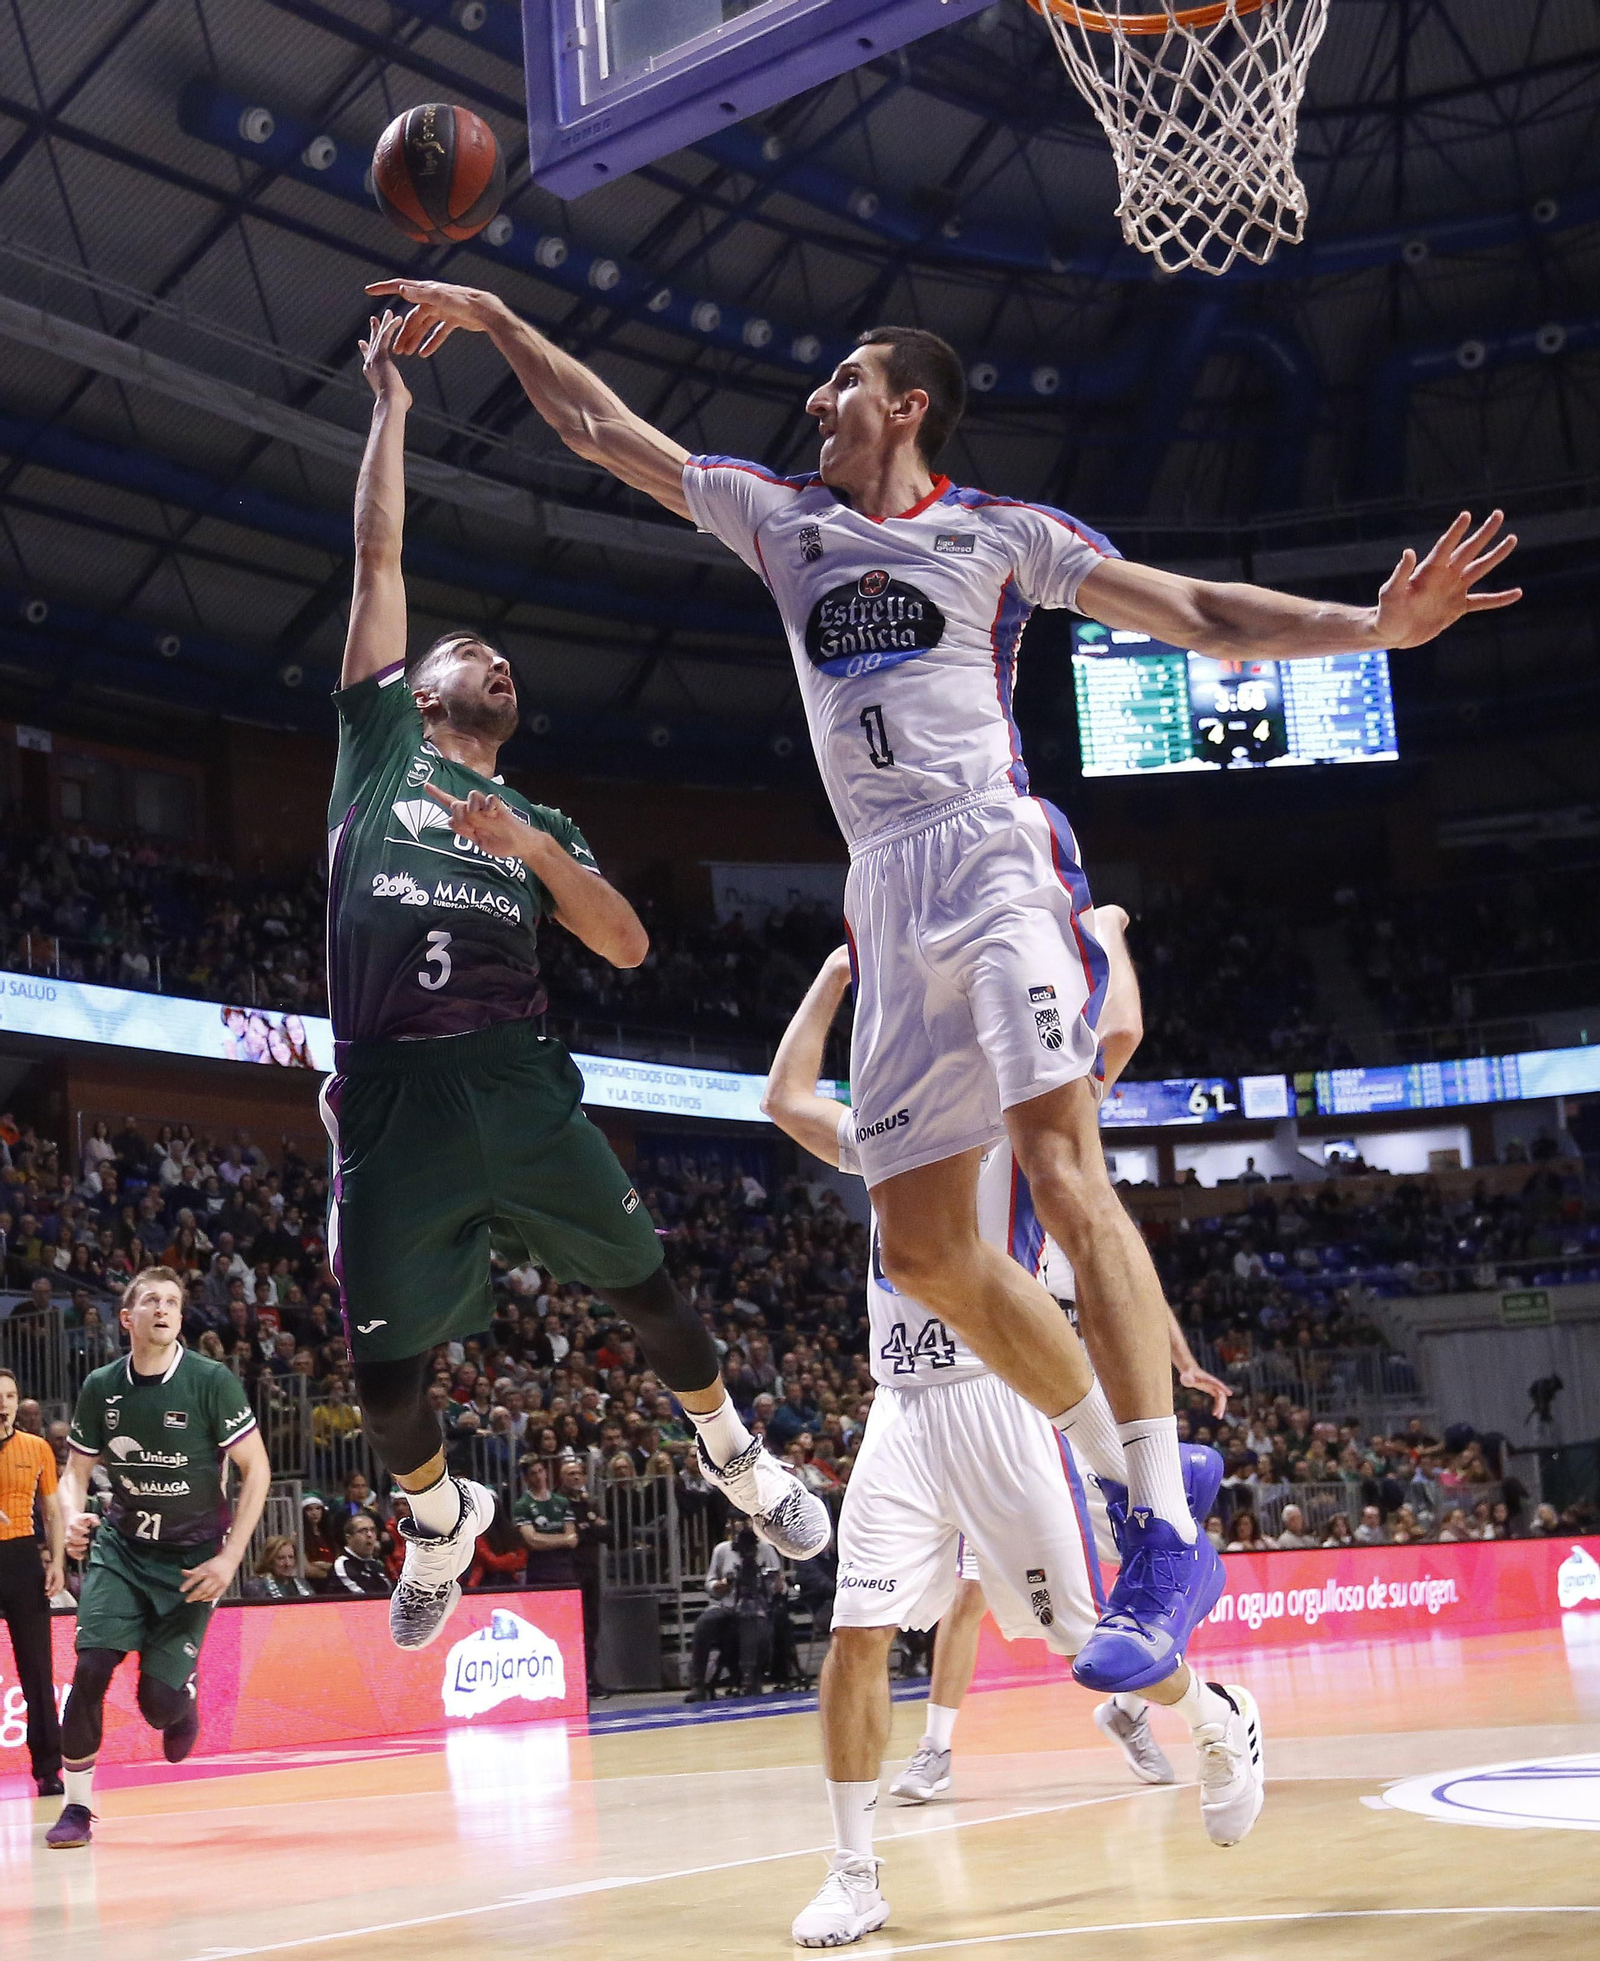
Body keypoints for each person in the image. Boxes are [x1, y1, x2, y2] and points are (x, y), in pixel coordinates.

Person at [367, 277, 1516, 1692]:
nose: (815, 403)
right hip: (883, 886)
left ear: (908, 406)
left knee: (1059, 1156)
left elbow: (1198, 607)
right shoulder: (783, 520)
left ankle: (1157, 1526)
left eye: (842, 382)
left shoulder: (998, 535)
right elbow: (602, 429)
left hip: (990, 857)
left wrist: (1369, 630)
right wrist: (490, 315)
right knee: (921, 1252)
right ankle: (1131, 1465)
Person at [315, 312, 828, 1655]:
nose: (495, 662)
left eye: (509, 668)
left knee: (649, 1291)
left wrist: (537, 846)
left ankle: (735, 1456)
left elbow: (627, 948)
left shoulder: (546, 820)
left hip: (516, 1077)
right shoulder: (375, 752)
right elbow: (380, 551)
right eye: (470, 654)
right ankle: (436, 1520)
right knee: (384, 1388)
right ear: (416, 689)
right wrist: (394, 411)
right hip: (392, 1099)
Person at [760, 933, 1263, 1946]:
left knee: (1090, 1638)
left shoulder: (1015, 1112)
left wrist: (1115, 937)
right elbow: (783, 1097)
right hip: (898, 1407)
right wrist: (830, 975)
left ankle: (1216, 1713)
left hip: (1002, 1397)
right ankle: (853, 1872)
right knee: (856, 1632)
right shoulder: (890, 1128)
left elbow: (1116, 1030)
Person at [47, 1267, 272, 1848]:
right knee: (91, 1668)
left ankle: (181, 1692)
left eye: (173, 1301)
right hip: (121, 1549)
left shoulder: (210, 1381)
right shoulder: (101, 1385)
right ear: (128, 1318)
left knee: (158, 1707)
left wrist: (231, 1560)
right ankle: (77, 1809)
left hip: (193, 1561)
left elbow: (258, 1470)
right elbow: (75, 1473)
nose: (165, 1309)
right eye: (151, 1300)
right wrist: (74, 1516)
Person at [0, 1366, 65, 1796]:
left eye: (8, 1396)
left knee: (38, 1670)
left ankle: (48, 1769)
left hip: (22, 1556)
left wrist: (57, 1561)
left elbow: (54, 1511)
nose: (1, 1402)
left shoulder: (37, 1447)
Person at [686, 1516, 784, 1701]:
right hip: (726, 1605)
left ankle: (750, 1680)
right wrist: (722, 1585)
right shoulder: (722, 1550)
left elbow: (778, 1584)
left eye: (745, 1520)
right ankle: (697, 1683)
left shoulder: (766, 1549)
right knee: (703, 1624)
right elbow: (710, 1583)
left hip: (757, 1607)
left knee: (751, 1623)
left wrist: (775, 1584)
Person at [327, 1513, 392, 1597]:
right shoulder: (342, 1564)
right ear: (349, 1538)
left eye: (372, 1530)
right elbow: (362, 1598)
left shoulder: (375, 1565)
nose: (369, 1535)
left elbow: (389, 1591)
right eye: (362, 1531)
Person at [245, 1537, 316, 1601]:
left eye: (291, 1557)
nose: (288, 1563)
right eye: (281, 1558)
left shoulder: (302, 1583)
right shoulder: (256, 1585)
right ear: (270, 1560)